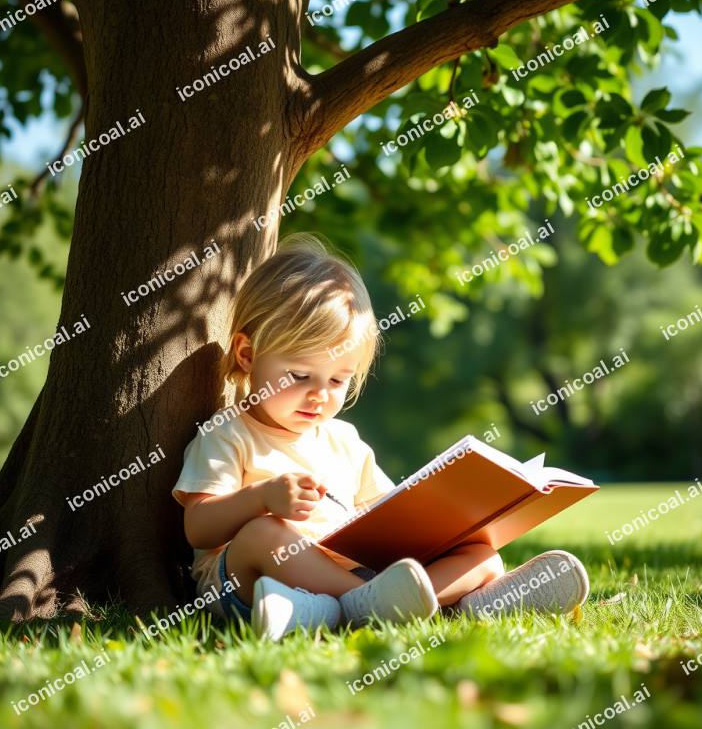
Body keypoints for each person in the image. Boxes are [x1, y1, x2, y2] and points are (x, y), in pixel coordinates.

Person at [173, 233, 589, 640]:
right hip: (244, 580)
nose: (320, 394)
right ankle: (386, 606)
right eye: (300, 375)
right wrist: (261, 500)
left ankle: (383, 610)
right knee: (263, 534)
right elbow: (199, 528)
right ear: (247, 355)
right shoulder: (228, 434)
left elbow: (386, 516)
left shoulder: (344, 441)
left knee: (483, 556)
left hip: (347, 576)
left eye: (338, 380)